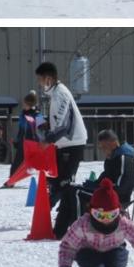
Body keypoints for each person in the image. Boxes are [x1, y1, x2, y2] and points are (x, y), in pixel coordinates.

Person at [35, 61, 87, 239]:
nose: (40, 84)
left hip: (72, 143)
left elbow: (64, 124)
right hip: (64, 144)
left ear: (48, 78)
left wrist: (48, 139)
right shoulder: (55, 94)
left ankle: (63, 228)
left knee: (65, 185)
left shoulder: (61, 93)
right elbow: (58, 122)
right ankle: (50, 221)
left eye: (41, 80)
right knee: (56, 182)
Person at [70, 130, 134, 222]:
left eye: (104, 147)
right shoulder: (112, 156)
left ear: (114, 143)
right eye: (101, 147)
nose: (102, 150)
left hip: (116, 197)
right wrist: (91, 184)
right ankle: (61, 228)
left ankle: (79, 228)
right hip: (107, 191)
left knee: (77, 193)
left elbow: (123, 187)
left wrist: (99, 188)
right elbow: (105, 177)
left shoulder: (124, 158)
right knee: (70, 189)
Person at [7, 91, 40, 181]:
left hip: (33, 144)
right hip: (23, 143)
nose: (23, 106)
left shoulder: (37, 115)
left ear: (30, 104)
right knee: (17, 162)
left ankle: (47, 181)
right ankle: (11, 180)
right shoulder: (22, 115)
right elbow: (21, 131)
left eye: (25, 104)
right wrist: (16, 142)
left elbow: (41, 130)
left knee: (38, 163)